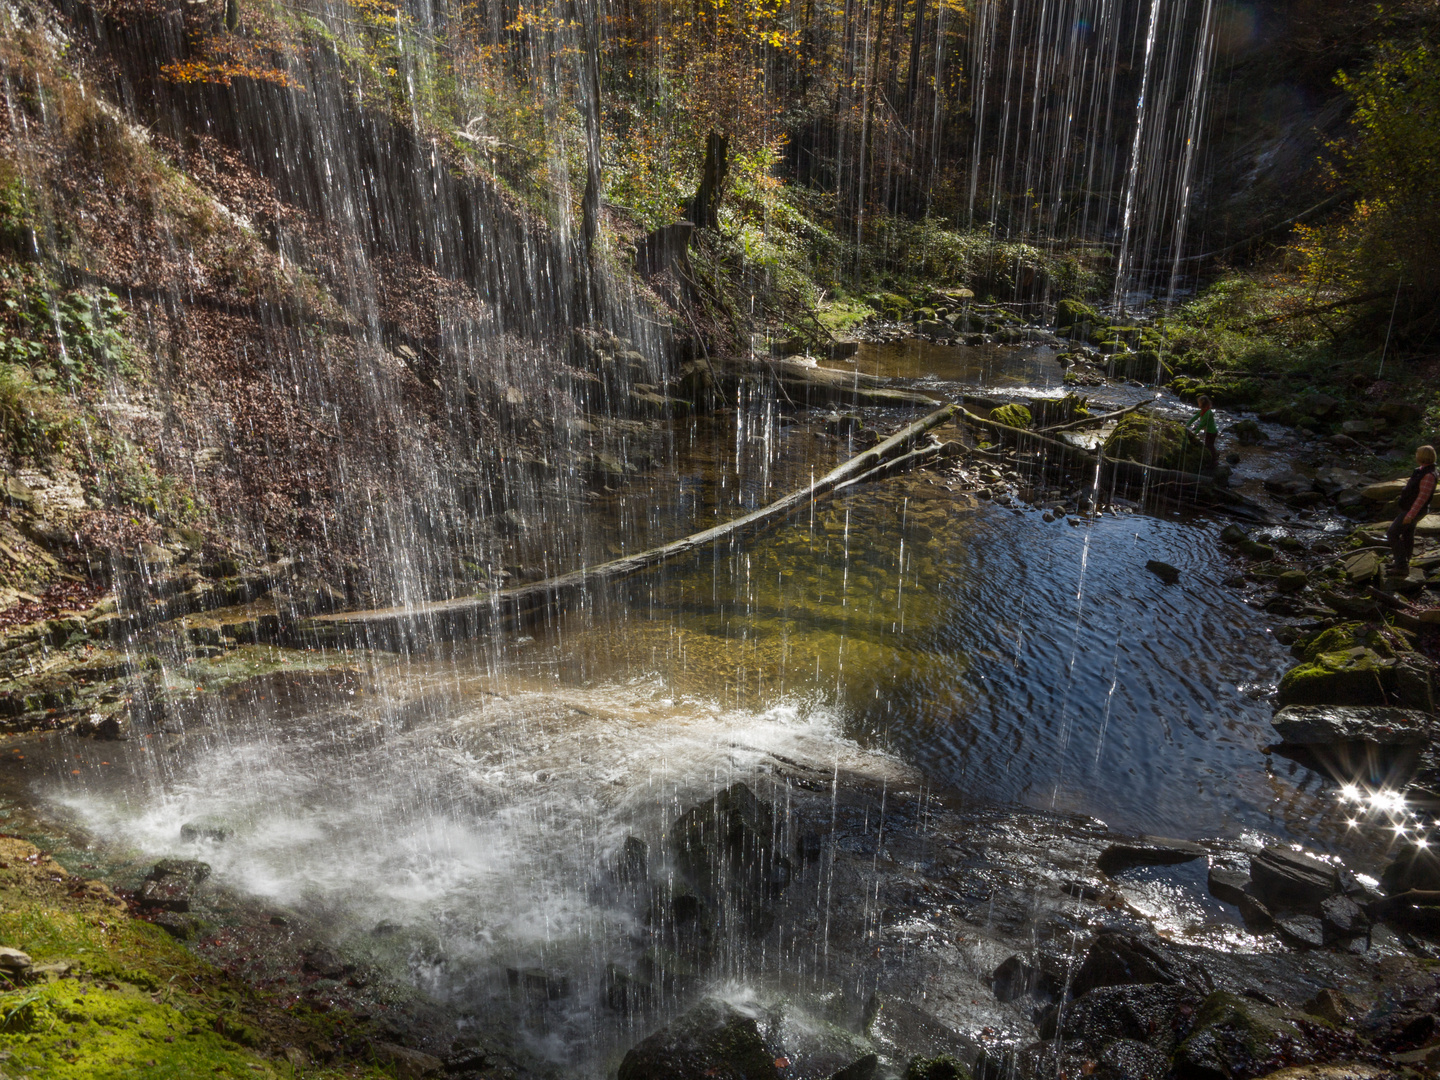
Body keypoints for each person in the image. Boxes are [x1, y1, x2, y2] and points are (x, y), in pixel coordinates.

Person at [1387, 445, 1437, 577]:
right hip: (1409, 508)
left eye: (1417, 453)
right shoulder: (1420, 470)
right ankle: (1403, 562)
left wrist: (1410, 514)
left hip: (1414, 511)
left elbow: (1422, 498)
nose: (1416, 455)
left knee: (1392, 534)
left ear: (1422, 456)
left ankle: (1402, 566)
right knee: (1407, 535)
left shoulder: (1429, 475)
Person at [1187, 395, 1218, 463]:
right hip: (1209, 431)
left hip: (1212, 432)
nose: (1198, 404)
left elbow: (1202, 424)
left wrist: (1195, 433)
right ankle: (1213, 458)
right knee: (1208, 445)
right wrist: (1187, 424)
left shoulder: (1208, 413)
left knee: (1209, 445)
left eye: (1199, 403)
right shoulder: (1203, 411)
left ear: (1203, 404)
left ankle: (1214, 460)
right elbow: (1195, 417)